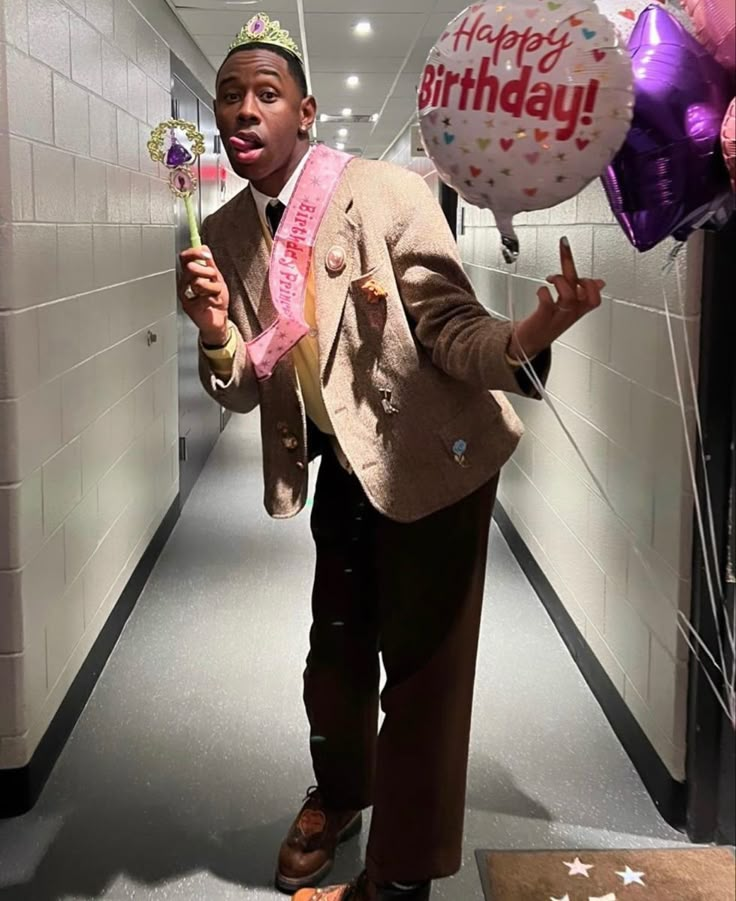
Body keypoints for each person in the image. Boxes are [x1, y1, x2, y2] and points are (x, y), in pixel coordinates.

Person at [178, 14, 604, 901]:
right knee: (333, 651)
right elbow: (251, 385)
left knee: (423, 681)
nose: (244, 111)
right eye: (231, 95)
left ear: (307, 112)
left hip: (437, 464)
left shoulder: (386, 190)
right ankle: (339, 797)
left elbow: (451, 327)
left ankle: (399, 879)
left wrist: (531, 331)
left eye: (267, 94)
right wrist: (217, 336)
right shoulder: (222, 232)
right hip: (345, 466)